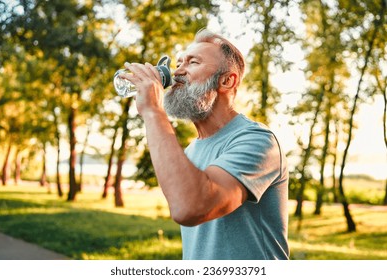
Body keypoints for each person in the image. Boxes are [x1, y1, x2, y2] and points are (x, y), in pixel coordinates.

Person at [120, 28, 289, 260]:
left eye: (193, 62)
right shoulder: (189, 152)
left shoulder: (258, 141)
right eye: (179, 62)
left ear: (227, 81)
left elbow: (190, 207)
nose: (178, 71)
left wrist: (152, 110)